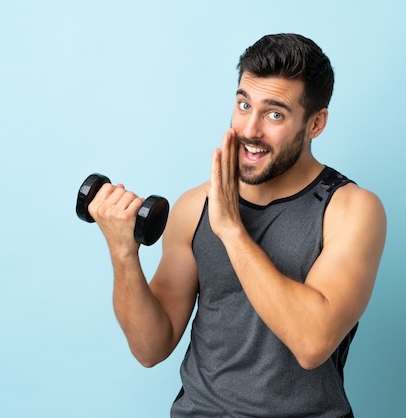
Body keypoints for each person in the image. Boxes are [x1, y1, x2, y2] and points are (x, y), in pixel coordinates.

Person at [88, 33, 386, 417]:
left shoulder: (350, 209)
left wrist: (231, 230)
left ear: (315, 123)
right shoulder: (195, 205)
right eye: (244, 104)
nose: (250, 129)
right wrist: (123, 252)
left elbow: (313, 343)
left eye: (274, 113)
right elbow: (150, 348)